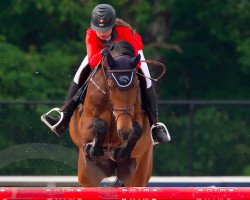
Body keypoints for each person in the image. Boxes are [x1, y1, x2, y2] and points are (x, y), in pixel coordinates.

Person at [41, 4, 171, 144]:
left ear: (113, 25)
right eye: (99, 29)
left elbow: (135, 61)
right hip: (101, 55)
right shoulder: (91, 33)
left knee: (147, 79)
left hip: (129, 57)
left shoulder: (124, 31)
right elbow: (92, 61)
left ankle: (155, 126)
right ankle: (63, 117)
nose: (102, 33)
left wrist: (122, 60)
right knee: (80, 73)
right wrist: (104, 55)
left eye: (106, 29)